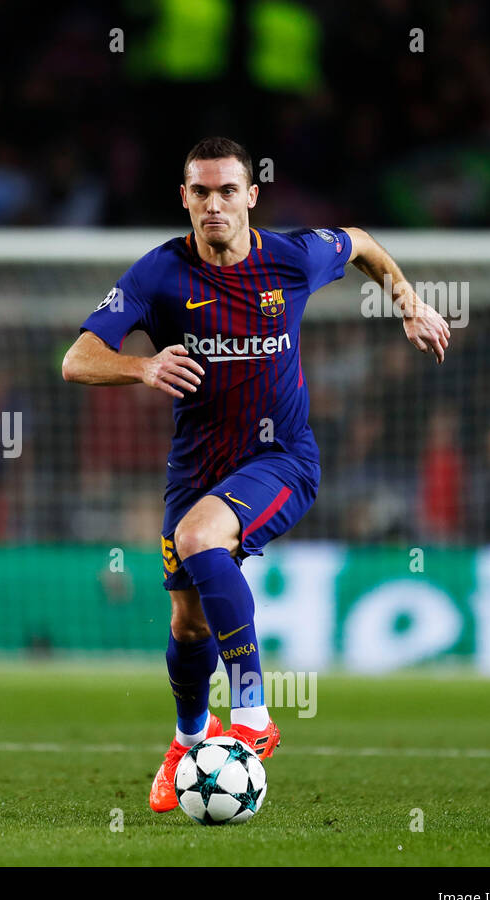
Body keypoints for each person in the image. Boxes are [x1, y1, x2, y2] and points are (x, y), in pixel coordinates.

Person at [61, 136, 450, 813]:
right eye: (202, 192)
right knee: (186, 624)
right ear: (184, 197)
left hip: (283, 460)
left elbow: (357, 241)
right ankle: (187, 739)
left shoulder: (292, 258)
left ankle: (250, 713)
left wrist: (409, 303)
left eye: (228, 191)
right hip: (195, 467)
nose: (215, 204)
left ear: (251, 196)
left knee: (200, 539)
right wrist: (142, 367)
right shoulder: (158, 275)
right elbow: (77, 358)